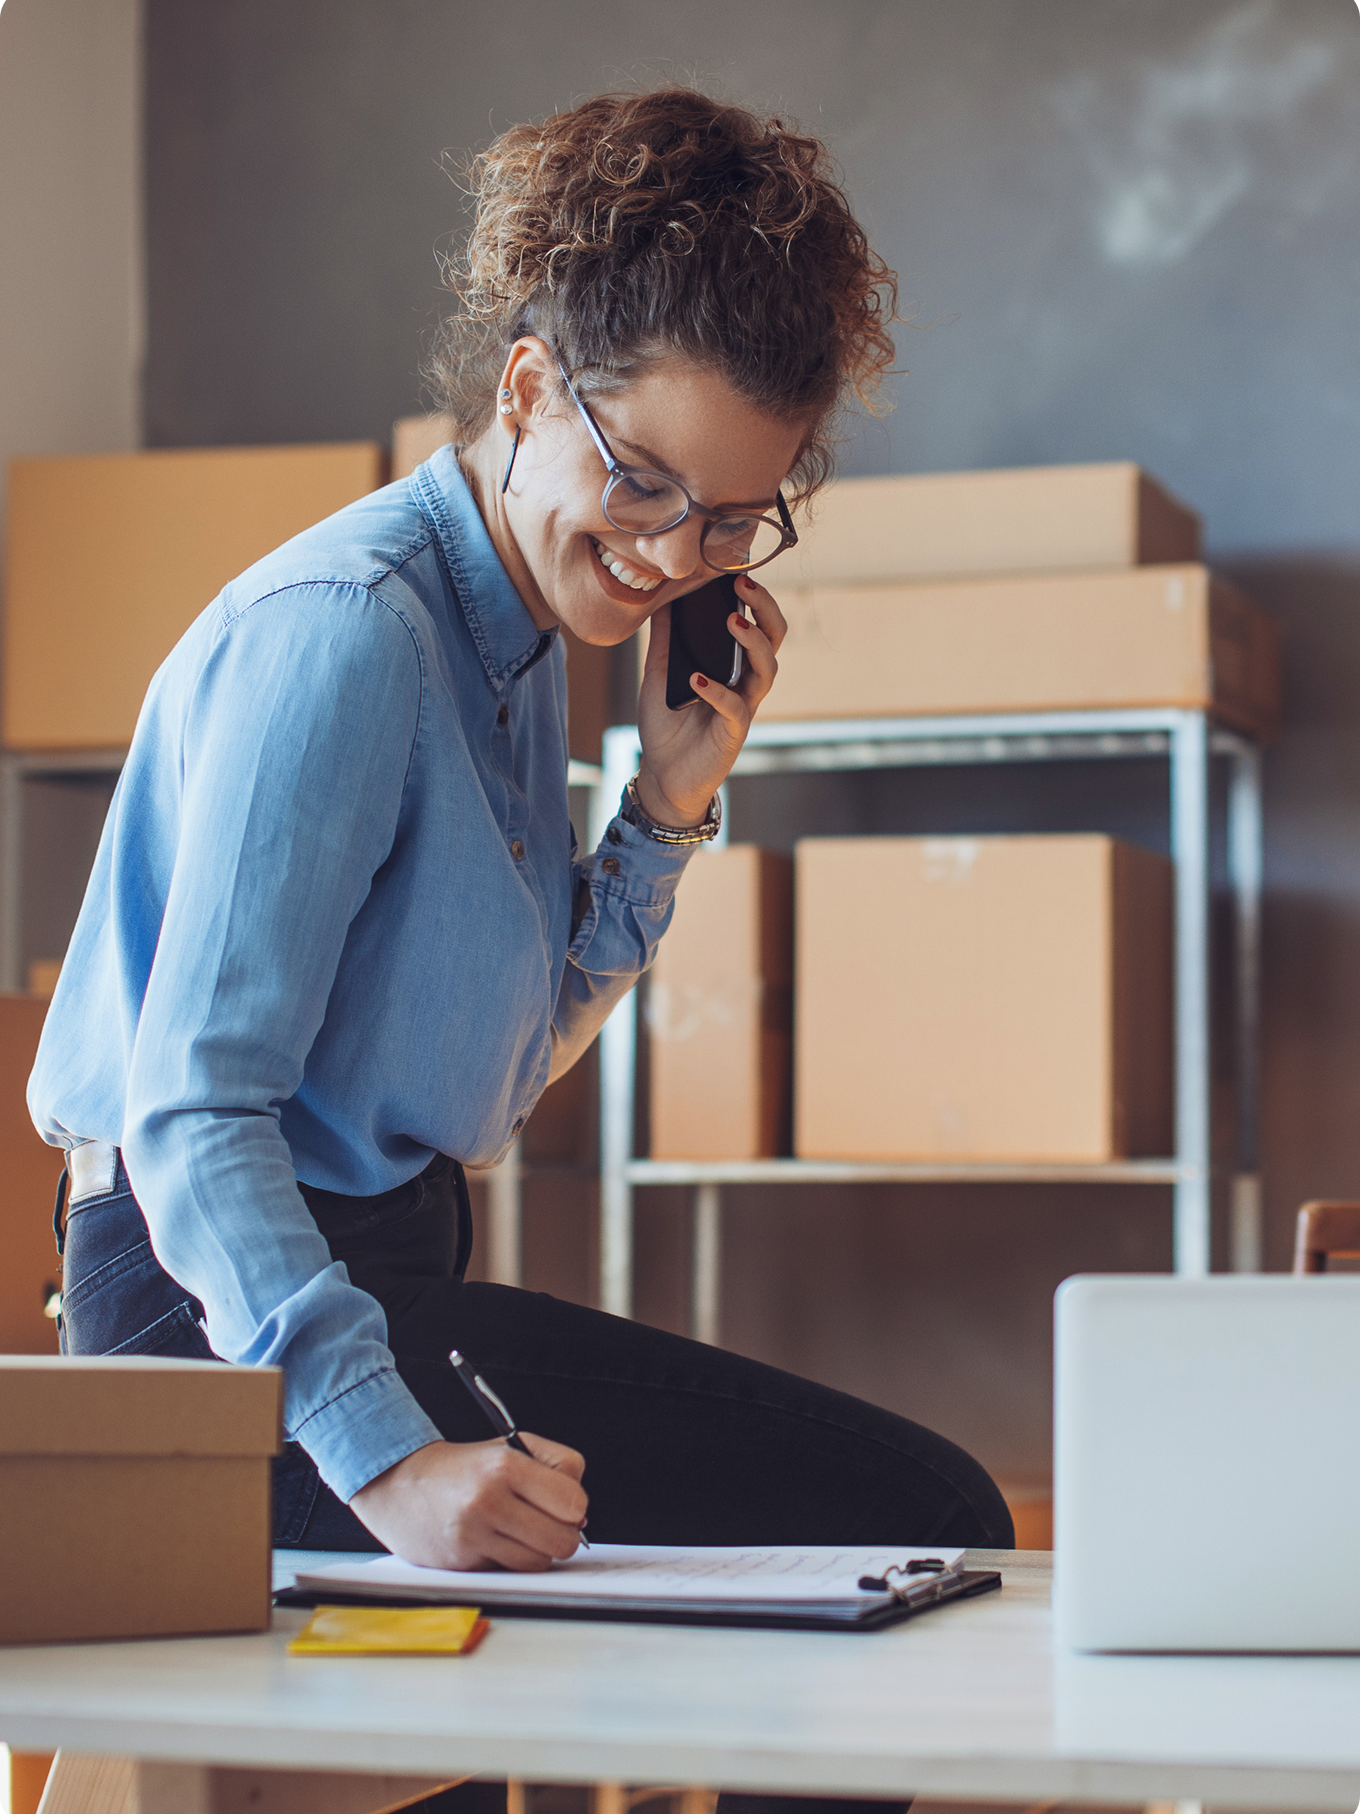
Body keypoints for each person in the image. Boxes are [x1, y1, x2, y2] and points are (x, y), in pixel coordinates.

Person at [32, 88, 1013, 1576]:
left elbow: (497, 1058)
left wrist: (666, 808)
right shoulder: (351, 636)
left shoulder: (519, 639)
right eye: (642, 479)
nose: (673, 553)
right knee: (922, 1516)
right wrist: (386, 1456)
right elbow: (191, 1113)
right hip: (220, 1328)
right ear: (528, 391)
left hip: (369, 1283)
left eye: (736, 517)